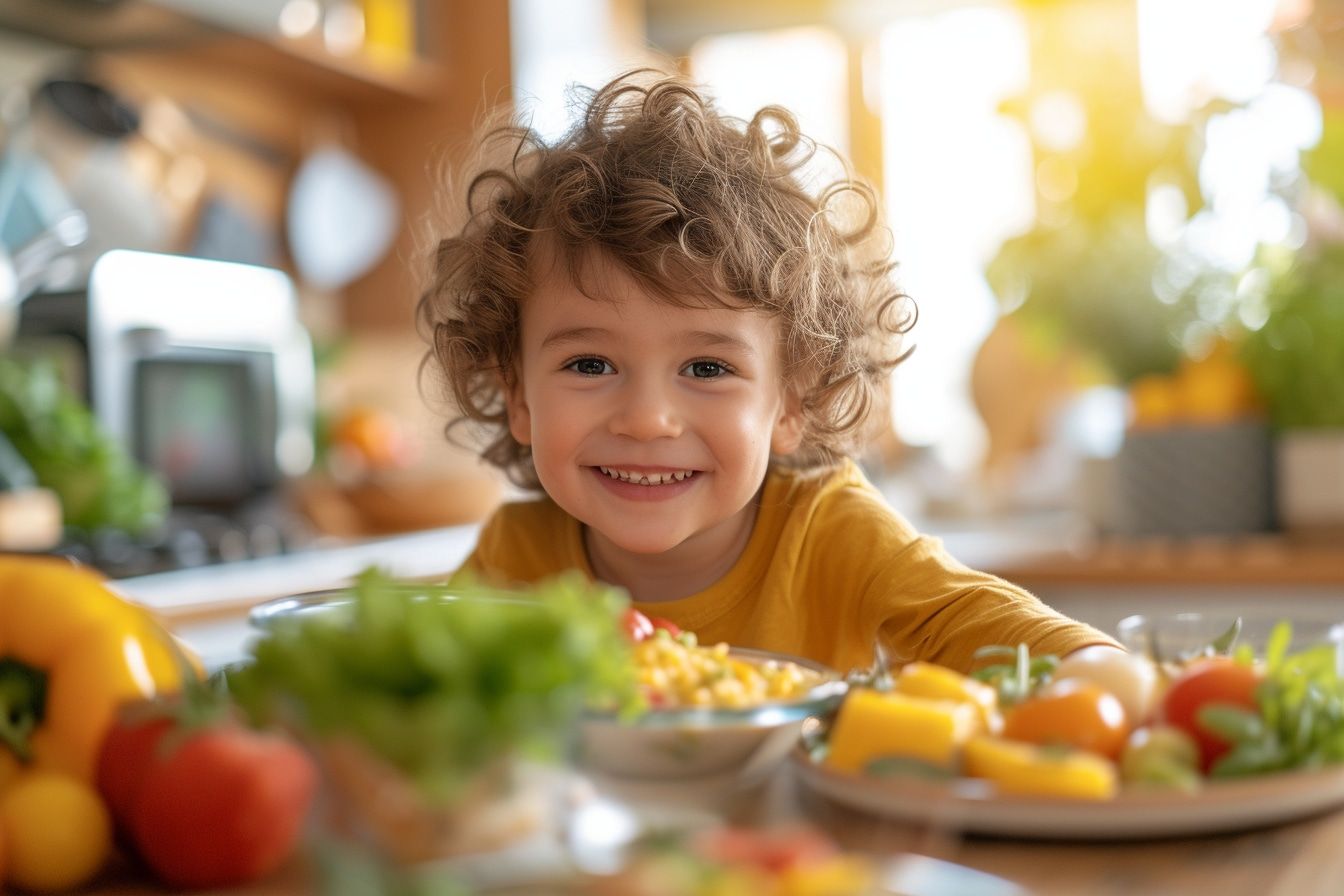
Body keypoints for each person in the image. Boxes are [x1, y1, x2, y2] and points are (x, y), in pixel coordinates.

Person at [418, 69, 1118, 674]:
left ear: (790, 403)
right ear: (518, 396)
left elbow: (1027, 642)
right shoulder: (514, 558)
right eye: (591, 363)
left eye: (706, 366)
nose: (646, 418)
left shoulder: (828, 530)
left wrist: (1098, 677)